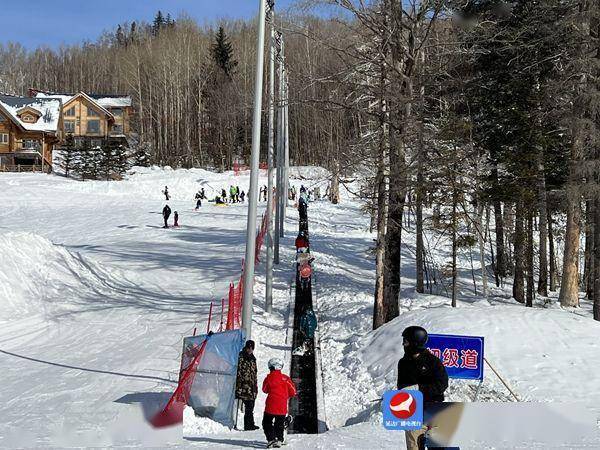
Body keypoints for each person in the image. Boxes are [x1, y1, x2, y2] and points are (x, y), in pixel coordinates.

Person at [397, 326, 448, 450]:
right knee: (413, 443)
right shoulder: (403, 363)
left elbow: (442, 384)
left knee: (436, 443)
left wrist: (419, 389)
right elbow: (401, 385)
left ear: (415, 342)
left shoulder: (433, 361)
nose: (403, 344)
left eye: (406, 341)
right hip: (414, 410)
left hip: (434, 408)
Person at [262, 358, 296, 448]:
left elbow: (264, 390)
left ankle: (271, 439)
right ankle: (280, 440)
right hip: (282, 405)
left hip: (270, 405)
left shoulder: (268, 378)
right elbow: (293, 391)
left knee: (267, 422)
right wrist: (285, 395)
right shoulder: (286, 378)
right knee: (279, 423)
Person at [235, 340, 259, 431]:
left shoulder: (253, 358)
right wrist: (239, 385)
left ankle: (250, 424)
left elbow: (254, 373)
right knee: (248, 406)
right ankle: (248, 425)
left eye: (252, 348)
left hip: (251, 386)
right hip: (243, 386)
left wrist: (255, 386)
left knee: (250, 406)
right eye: (248, 347)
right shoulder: (242, 356)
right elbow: (239, 371)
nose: (250, 349)